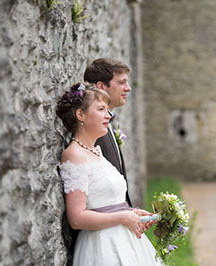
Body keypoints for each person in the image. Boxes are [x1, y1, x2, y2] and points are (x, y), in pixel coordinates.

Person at [57, 83, 163, 265]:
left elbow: (106, 202)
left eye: (107, 109)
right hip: (102, 246)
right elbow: (76, 218)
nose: (109, 115)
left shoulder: (96, 152)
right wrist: (123, 217)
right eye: (101, 109)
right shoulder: (74, 155)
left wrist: (133, 213)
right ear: (80, 115)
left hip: (124, 240)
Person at [83, 58, 132, 207]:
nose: (128, 88)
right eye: (122, 82)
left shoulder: (106, 124)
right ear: (102, 86)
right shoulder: (92, 131)